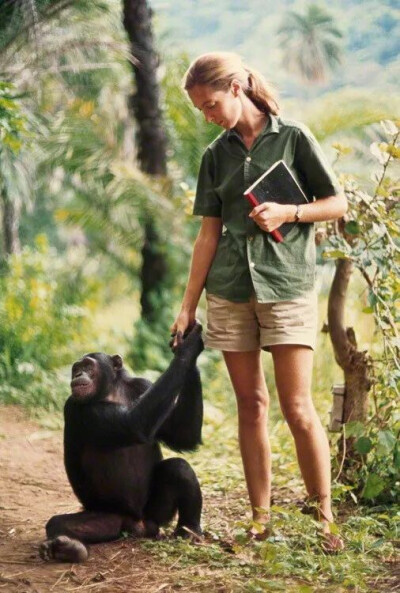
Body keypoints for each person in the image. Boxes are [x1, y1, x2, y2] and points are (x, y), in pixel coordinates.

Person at [171, 52, 347, 551]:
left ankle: (324, 518)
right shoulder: (214, 157)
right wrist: (188, 306)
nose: (207, 115)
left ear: (236, 87)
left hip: (286, 286)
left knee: (297, 407)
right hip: (229, 290)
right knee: (251, 405)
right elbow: (207, 235)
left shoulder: (293, 138)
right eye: (200, 109)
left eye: (210, 104)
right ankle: (259, 519)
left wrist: (290, 211)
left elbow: (337, 203)